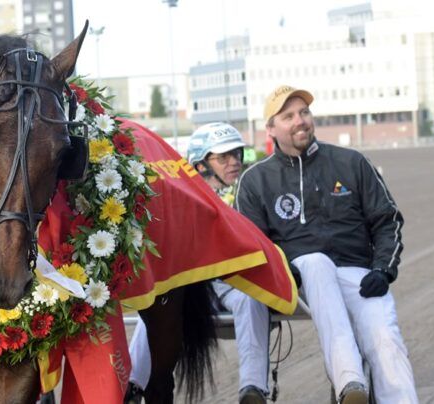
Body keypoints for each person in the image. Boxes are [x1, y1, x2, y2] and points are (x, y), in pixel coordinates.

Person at [235, 85, 418, 404]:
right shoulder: (255, 180)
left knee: (386, 339)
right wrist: (281, 269)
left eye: (304, 112)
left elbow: (387, 220)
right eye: (288, 116)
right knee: (316, 262)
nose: (300, 121)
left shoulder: (352, 162)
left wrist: (382, 271)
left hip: (357, 275)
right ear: (271, 128)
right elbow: (252, 244)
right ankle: (350, 384)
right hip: (297, 280)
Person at [126, 122, 272, 404]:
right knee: (158, 305)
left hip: (234, 284)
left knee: (250, 300)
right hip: (191, 286)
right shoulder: (183, 197)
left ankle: (253, 389)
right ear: (200, 164)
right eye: (223, 157)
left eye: (237, 155)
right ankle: (133, 385)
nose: (234, 163)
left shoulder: (248, 191)